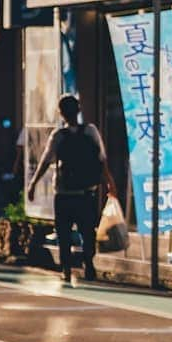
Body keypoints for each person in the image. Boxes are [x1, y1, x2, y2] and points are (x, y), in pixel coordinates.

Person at [28, 95, 116, 284]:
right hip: (86, 193)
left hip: (64, 193)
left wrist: (33, 183)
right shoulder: (90, 131)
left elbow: (46, 160)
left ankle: (66, 268)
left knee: (64, 233)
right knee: (87, 231)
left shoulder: (59, 136)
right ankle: (88, 262)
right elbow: (102, 159)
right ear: (78, 110)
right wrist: (110, 182)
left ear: (61, 113)